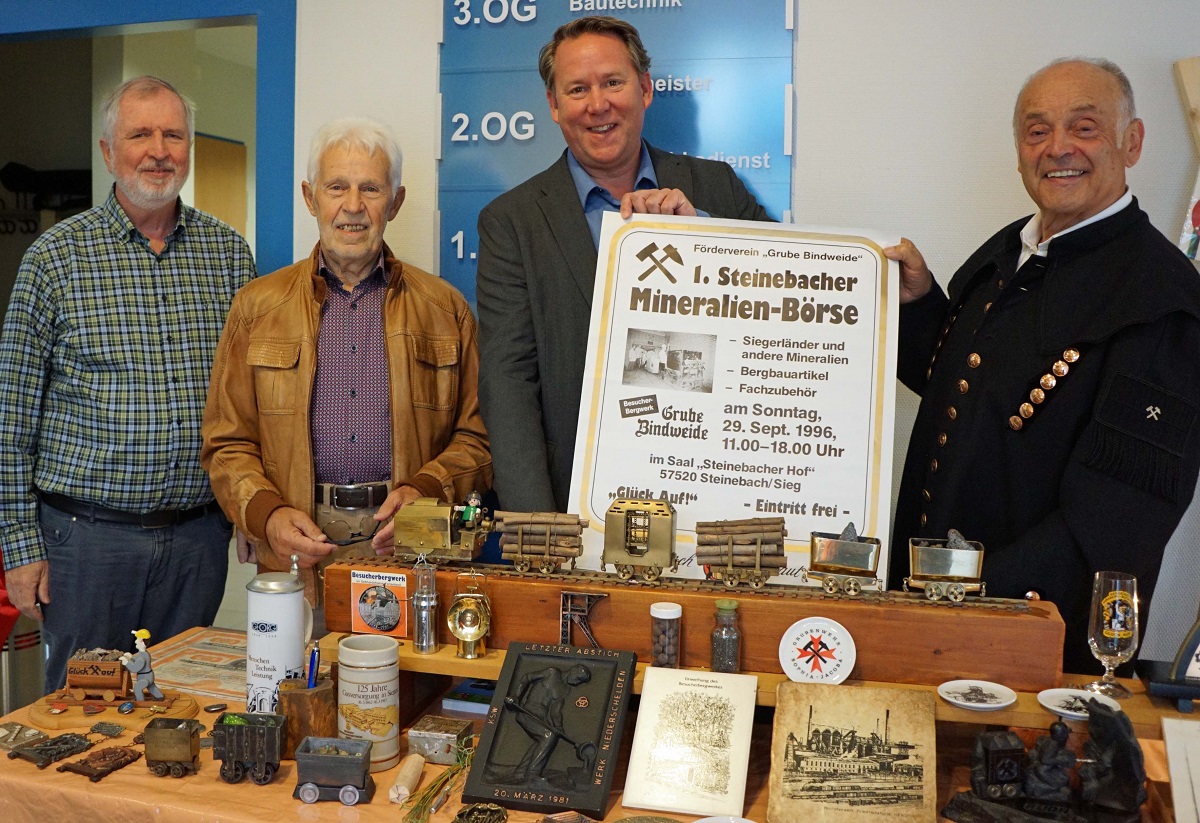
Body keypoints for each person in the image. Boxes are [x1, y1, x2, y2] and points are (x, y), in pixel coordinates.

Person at [885, 58, 1200, 674]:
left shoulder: (1163, 301)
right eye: (1037, 131)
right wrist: (921, 308)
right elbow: (970, 394)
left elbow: (1114, 523)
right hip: (930, 617)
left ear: (1130, 142)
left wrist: (966, 603)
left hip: (1027, 652)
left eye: (1084, 127)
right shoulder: (1009, 252)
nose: (1058, 148)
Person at [0, 76, 256, 690]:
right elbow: (11, 418)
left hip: (198, 540)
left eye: (173, 134)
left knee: (178, 706)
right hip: (86, 544)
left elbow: (251, 402)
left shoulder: (228, 255)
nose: (159, 149)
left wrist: (251, 509)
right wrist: (18, 547)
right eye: (140, 134)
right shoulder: (54, 259)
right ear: (108, 151)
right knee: (83, 715)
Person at [477, 15, 772, 513]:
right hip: (574, 500)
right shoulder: (512, 222)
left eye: (613, 82)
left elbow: (782, 296)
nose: (598, 104)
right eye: (577, 89)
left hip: (714, 487)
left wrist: (697, 226)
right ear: (553, 105)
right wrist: (539, 531)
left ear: (645, 89)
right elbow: (508, 384)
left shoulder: (717, 188)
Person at [202, 117, 491, 610]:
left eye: (371, 189)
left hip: (412, 552)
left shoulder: (447, 310)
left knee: (404, 688)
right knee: (297, 684)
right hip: (297, 555)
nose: (352, 207)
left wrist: (425, 493)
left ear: (395, 202)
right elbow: (227, 442)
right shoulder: (257, 307)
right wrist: (266, 515)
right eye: (337, 187)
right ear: (310, 197)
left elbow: (477, 438)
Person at [119, 628, 164, 702]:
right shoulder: (144, 653)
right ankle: (159, 696)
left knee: (137, 687)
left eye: (137, 639)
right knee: (151, 687)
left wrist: (126, 662)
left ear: (142, 642)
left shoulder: (142, 658)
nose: (136, 642)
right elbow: (137, 659)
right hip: (149, 676)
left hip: (145, 678)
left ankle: (140, 701)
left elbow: (135, 668)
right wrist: (130, 657)